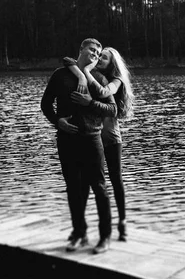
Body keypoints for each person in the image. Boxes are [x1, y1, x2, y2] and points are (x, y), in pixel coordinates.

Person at [40, 38, 116, 254]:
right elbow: (45, 104)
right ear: (81, 49)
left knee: (99, 188)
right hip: (66, 141)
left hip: (92, 140)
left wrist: (89, 103)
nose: (95, 54)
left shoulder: (98, 78)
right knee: (74, 189)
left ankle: (105, 237)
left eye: (98, 52)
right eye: (91, 49)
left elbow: (112, 110)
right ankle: (79, 233)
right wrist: (58, 122)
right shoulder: (60, 75)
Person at [64, 46, 134, 242]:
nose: (100, 58)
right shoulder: (91, 75)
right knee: (88, 181)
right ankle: (83, 229)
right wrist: (81, 69)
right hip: (93, 138)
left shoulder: (115, 80)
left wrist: (85, 71)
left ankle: (122, 222)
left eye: (104, 57)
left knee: (115, 179)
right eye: (98, 55)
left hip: (111, 138)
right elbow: (68, 59)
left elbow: (104, 92)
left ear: (112, 62)